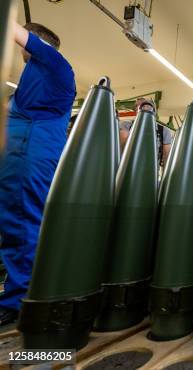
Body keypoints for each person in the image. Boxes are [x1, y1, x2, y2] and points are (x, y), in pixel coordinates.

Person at [0, 22, 76, 326]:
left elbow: (14, 28)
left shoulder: (57, 67)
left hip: (29, 162)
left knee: (22, 228)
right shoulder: (34, 80)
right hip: (19, 161)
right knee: (18, 229)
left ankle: (18, 302)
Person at [119, 98, 172, 168]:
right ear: (137, 111)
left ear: (153, 110)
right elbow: (121, 146)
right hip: (128, 169)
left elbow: (166, 155)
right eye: (140, 106)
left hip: (152, 171)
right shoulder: (126, 125)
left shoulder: (164, 131)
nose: (145, 109)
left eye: (147, 106)